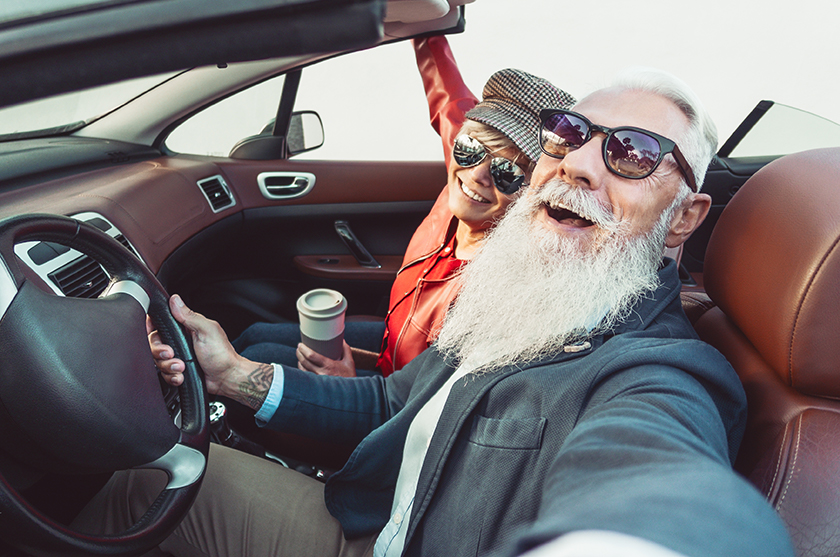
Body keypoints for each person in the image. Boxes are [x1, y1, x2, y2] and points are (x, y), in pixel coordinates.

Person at [76, 67, 795, 557]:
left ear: (683, 217)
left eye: (634, 155)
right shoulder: (525, 294)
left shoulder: (659, 371)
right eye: (569, 133)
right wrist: (236, 375)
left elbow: (654, 478)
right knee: (145, 477)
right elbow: (397, 400)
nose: (580, 164)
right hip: (370, 517)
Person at [231, 36, 575, 378]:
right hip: (394, 344)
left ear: (535, 194)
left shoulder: (502, 288)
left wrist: (346, 382)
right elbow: (446, 94)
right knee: (254, 335)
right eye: (470, 148)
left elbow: (427, 406)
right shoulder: (463, 179)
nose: (477, 175)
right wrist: (430, 27)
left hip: (400, 399)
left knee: (259, 356)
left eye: (508, 172)